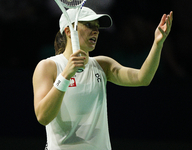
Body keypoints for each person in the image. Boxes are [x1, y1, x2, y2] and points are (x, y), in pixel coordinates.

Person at [32, 7, 173, 150]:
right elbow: (43, 116)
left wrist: (157, 44)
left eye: (97, 27)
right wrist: (65, 76)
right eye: (89, 25)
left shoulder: (103, 65)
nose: (96, 31)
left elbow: (143, 78)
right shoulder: (48, 66)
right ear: (68, 31)